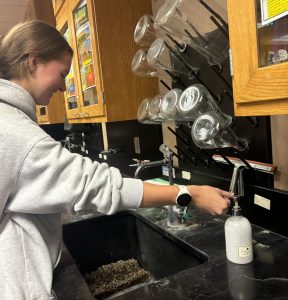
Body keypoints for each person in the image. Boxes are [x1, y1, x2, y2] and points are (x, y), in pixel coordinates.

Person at [0, 20, 232, 299]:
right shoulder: (14, 132)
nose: (63, 86)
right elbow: (97, 186)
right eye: (62, 73)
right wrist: (188, 193)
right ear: (33, 62)